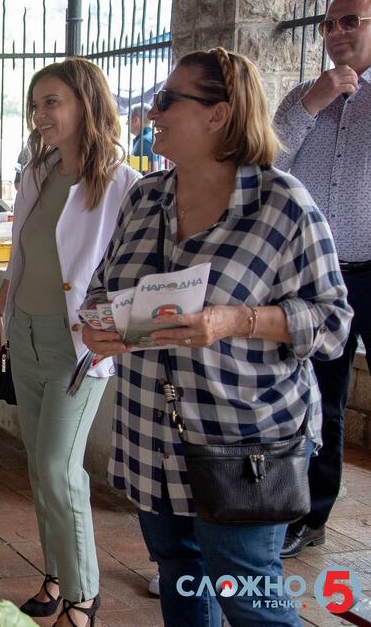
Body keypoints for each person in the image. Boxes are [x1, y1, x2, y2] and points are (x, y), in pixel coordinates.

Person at [82, 47, 353, 626]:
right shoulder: (145, 197)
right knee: (179, 573)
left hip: (242, 444)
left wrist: (236, 321)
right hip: (151, 434)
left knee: (248, 594)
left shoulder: (282, 204)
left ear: (219, 114)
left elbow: (333, 322)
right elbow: (102, 289)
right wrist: (97, 326)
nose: (153, 113)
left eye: (167, 101)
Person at [0, 59, 139, 625]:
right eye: (37, 103)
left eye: (53, 102)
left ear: (86, 103)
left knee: (58, 466)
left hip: (79, 343)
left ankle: (84, 592)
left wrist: (114, 330)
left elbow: (133, 271)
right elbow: (20, 253)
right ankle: (54, 573)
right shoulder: (37, 171)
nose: (41, 114)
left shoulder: (122, 183)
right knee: (37, 462)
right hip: (22, 328)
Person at [273, 0, 371, 559]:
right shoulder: (301, 97)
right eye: (329, 24)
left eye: (350, 21)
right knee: (321, 402)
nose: (337, 33)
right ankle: (311, 515)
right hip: (315, 279)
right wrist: (313, 101)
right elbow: (270, 159)